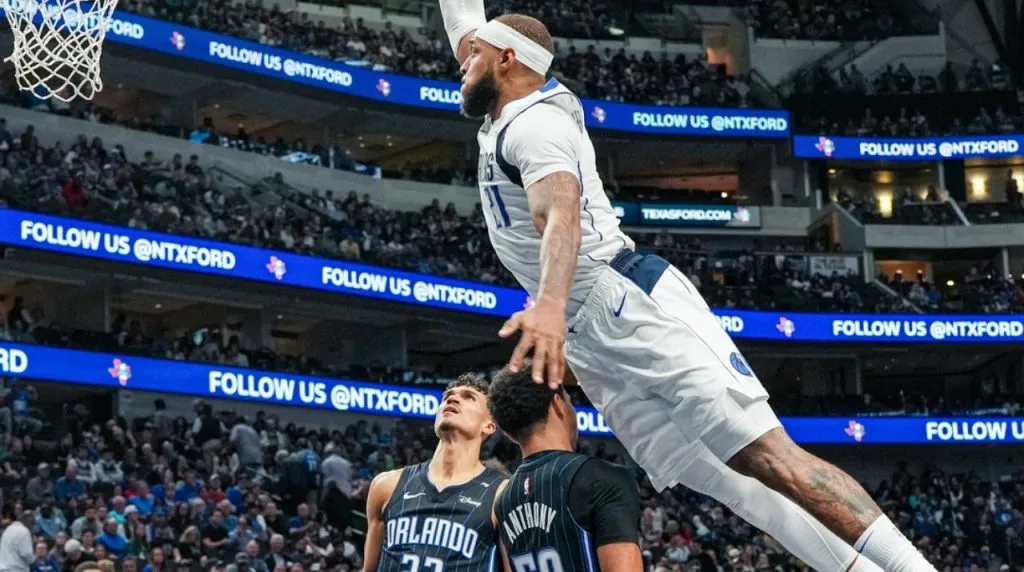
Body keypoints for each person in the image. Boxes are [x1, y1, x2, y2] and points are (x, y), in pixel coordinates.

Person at [435, 4, 932, 571]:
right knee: (731, 483)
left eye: (474, 55)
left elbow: (561, 214)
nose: (462, 60)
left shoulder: (536, 126)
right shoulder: (504, 90)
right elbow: (464, 27)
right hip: (590, 334)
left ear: (506, 60)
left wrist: (547, 306)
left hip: (624, 301)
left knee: (770, 456)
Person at [488, 363, 643, 572]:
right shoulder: (601, 478)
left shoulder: (503, 501)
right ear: (558, 404)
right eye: (569, 400)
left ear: (510, 434)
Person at [362, 375, 507, 571]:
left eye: (468, 397)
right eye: (448, 396)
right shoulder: (386, 485)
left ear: (489, 425)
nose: (452, 399)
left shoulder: (502, 493)